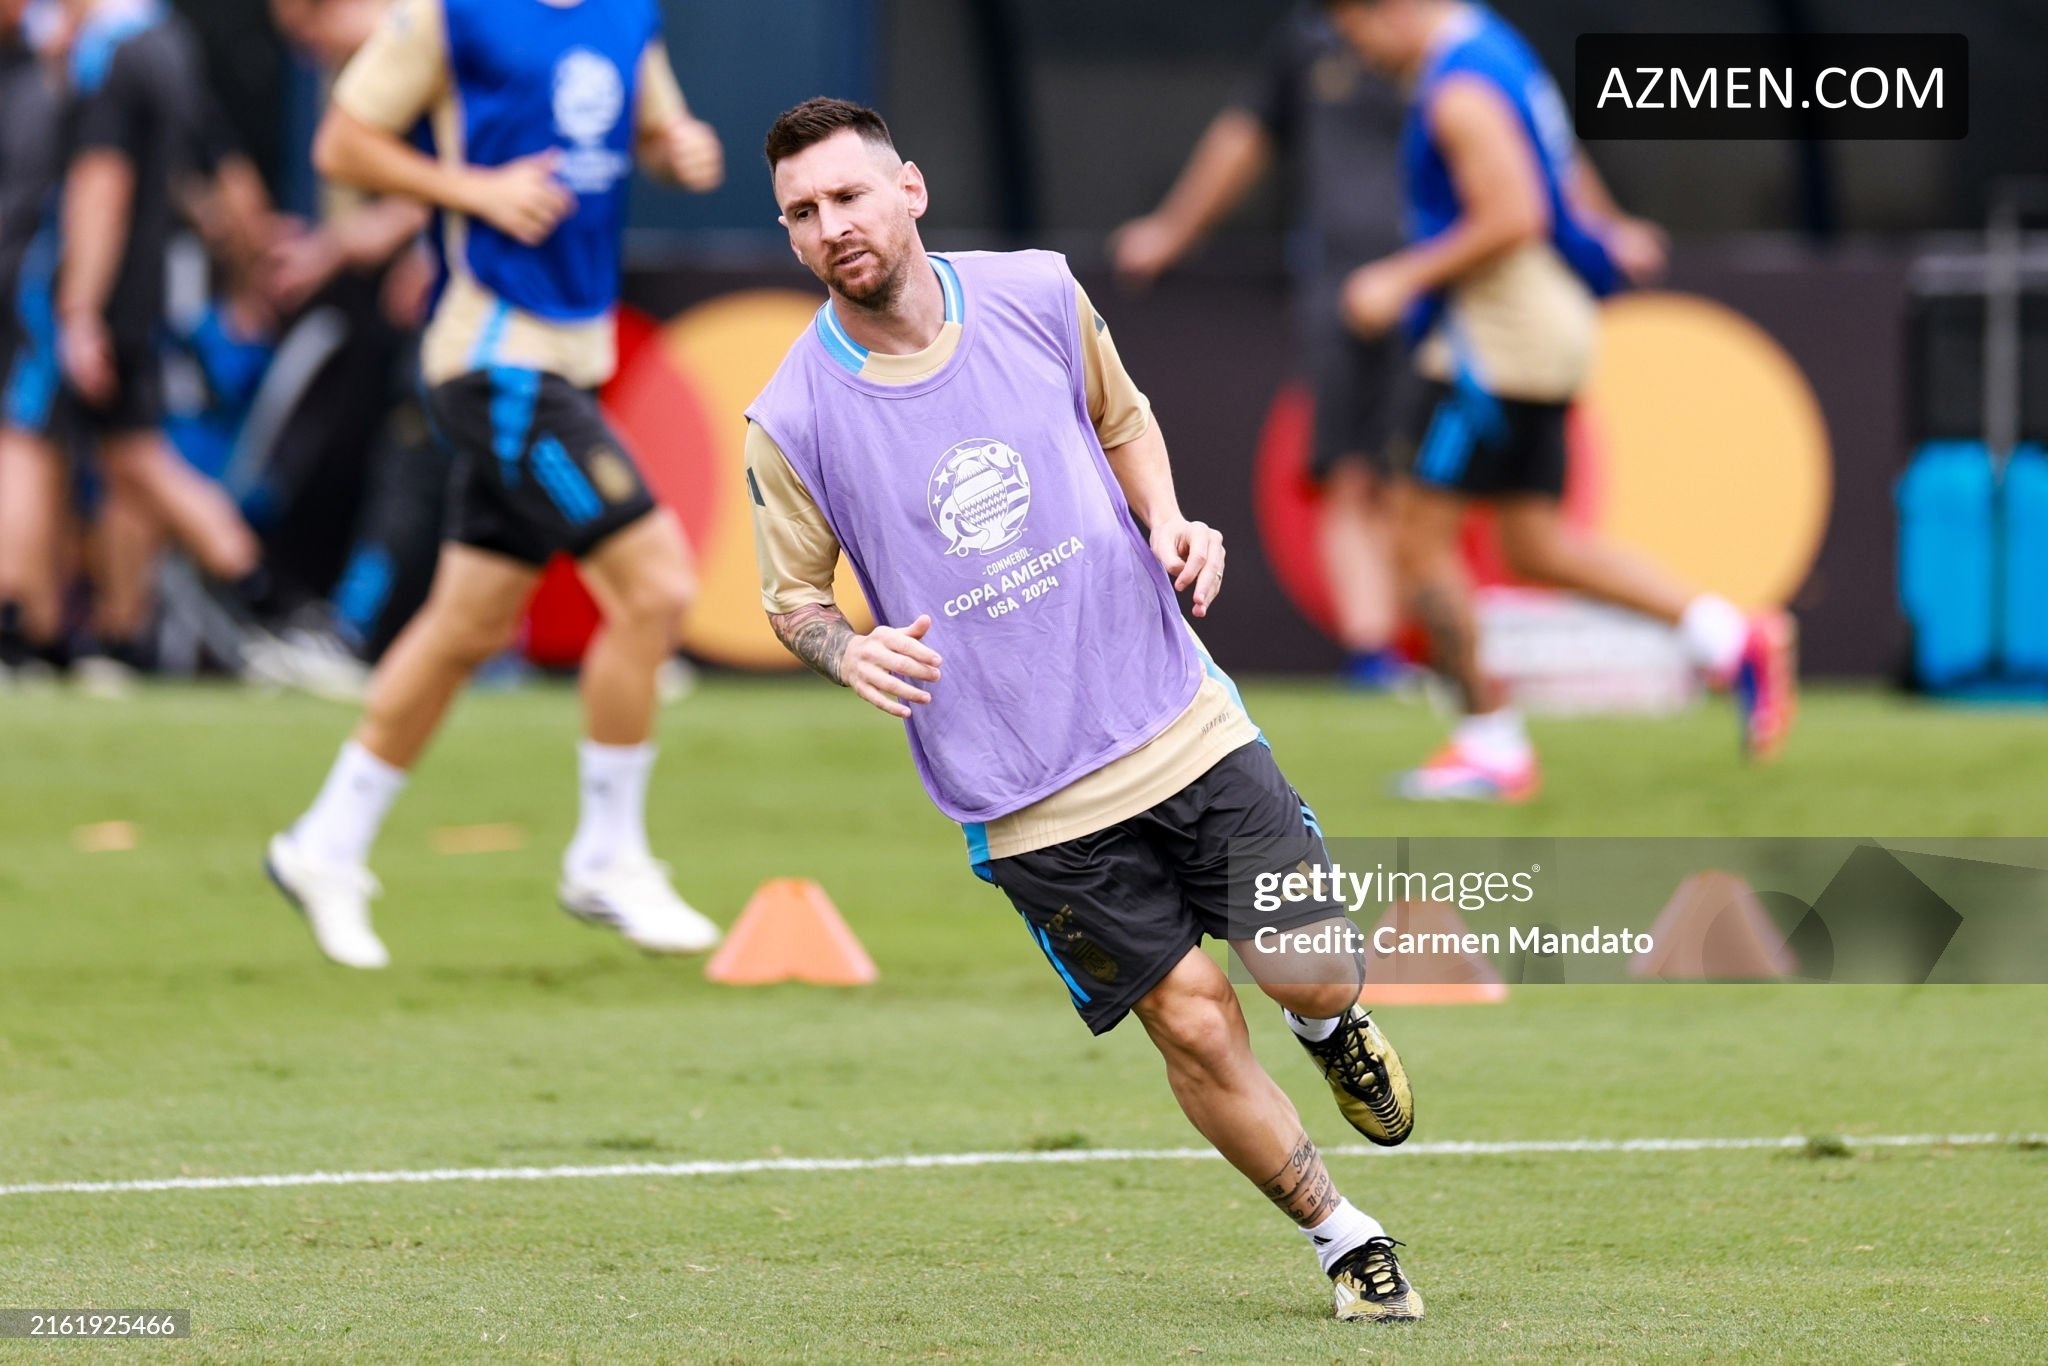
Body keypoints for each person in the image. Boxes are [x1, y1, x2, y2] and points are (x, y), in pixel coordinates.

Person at [747, 98, 1424, 1324]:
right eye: (801, 211)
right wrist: (845, 650)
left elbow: (1122, 417)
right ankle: (1343, 1237)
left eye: (846, 195)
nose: (829, 225)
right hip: (1022, 796)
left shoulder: (1037, 291)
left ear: (908, 189)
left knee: (1311, 970)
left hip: (1174, 715)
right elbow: (791, 597)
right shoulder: (790, 413)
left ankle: (1332, 1032)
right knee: (1193, 1022)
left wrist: (1167, 518)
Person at [263, 0, 726, 968]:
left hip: (569, 355)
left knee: (466, 625)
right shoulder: (447, 13)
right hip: (495, 354)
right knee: (657, 587)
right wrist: (471, 189)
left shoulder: (627, 15)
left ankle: (325, 843)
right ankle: (606, 856)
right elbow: (341, 144)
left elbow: (651, 129)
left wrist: (679, 151)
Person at [1319, 0, 1796, 800]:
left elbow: (1516, 211)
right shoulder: (1497, 47)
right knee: (1536, 545)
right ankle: (1730, 636)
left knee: (1416, 540)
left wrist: (1399, 278)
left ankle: (1490, 745)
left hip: (1491, 345)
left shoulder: (1456, 89)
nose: (1357, 51)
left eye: (1353, 29)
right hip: (1544, 330)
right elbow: (1559, 165)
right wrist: (1607, 228)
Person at [1110, 3, 1410, 687]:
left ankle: (1437, 655)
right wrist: (1173, 230)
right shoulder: (1308, 40)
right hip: (1339, 292)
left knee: (1425, 488)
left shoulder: (1456, 43)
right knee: (1349, 474)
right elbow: (1242, 135)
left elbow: (1523, 142)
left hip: (1443, 295)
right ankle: (1376, 661)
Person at [0, 0, 273, 687]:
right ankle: (111, 635)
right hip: (140, 296)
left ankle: (263, 598)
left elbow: (101, 184)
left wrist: (79, 309)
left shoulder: (110, 55)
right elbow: (227, 182)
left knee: (49, 444)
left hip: (82, 292)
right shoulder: (164, 43)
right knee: (121, 460)